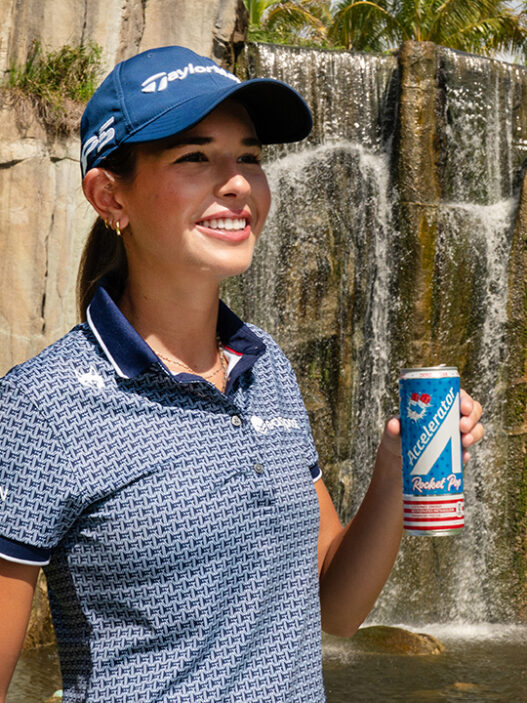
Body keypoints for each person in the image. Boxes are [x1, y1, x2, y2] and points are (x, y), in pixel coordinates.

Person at [0, 45, 483, 703]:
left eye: (249, 157)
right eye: (195, 157)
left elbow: (333, 608)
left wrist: (395, 471)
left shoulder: (267, 367)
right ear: (109, 195)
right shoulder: (41, 406)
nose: (236, 183)